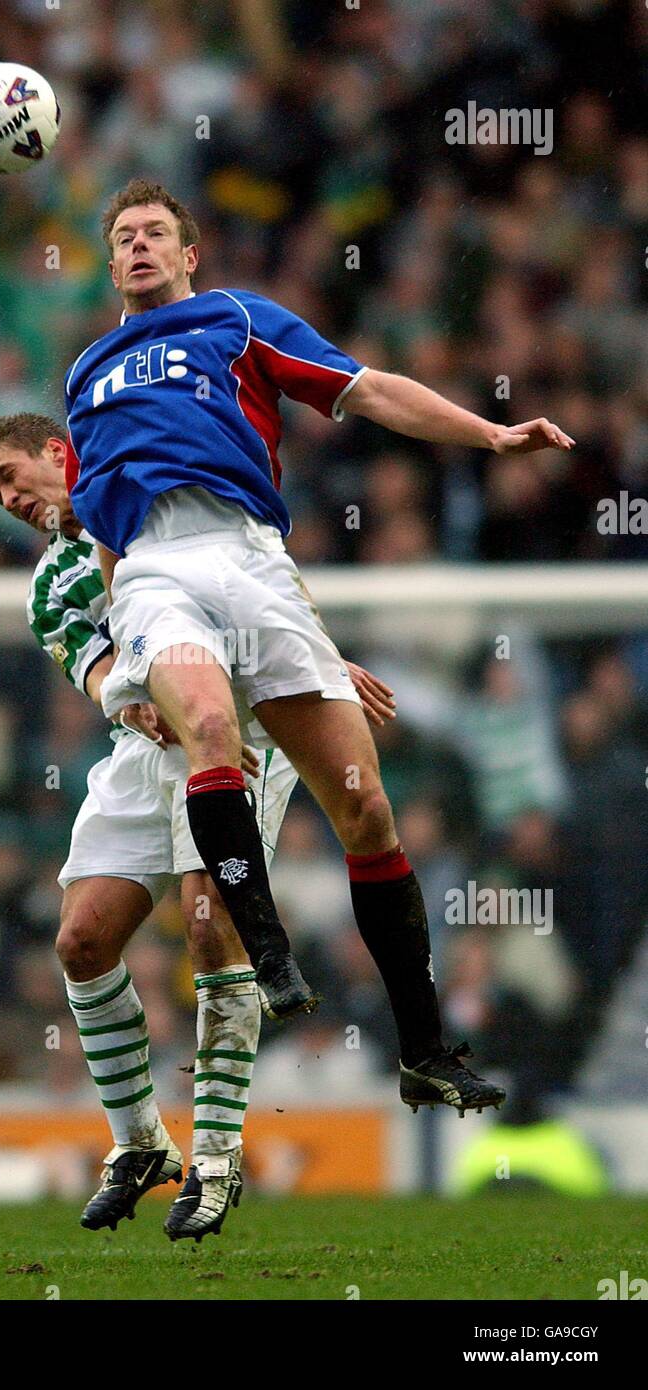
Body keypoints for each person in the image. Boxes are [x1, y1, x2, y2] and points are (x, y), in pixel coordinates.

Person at [61, 177, 573, 1111]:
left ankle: (424, 1046)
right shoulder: (86, 374)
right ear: (109, 262)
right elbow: (100, 528)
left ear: (189, 254)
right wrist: (123, 645)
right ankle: (270, 954)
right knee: (213, 728)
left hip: (253, 558)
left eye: (155, 233)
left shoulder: (238, 320)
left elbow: (367, 389)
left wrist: (489, 435)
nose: (138, 246)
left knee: (367, 807)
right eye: (124, 236)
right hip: (152, 570)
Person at [0, 411, 395, 1239]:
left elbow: (254, 587)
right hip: (146, 743)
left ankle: (216, 1156)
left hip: (234, 735)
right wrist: (133, 703)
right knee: (81, 941)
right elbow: (96, 676)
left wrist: (315, 659)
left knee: (209, 925)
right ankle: (138, 1144)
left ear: (59, 452)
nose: (10, 500)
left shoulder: (166, 507)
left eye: (12, 478)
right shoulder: (52, 587)